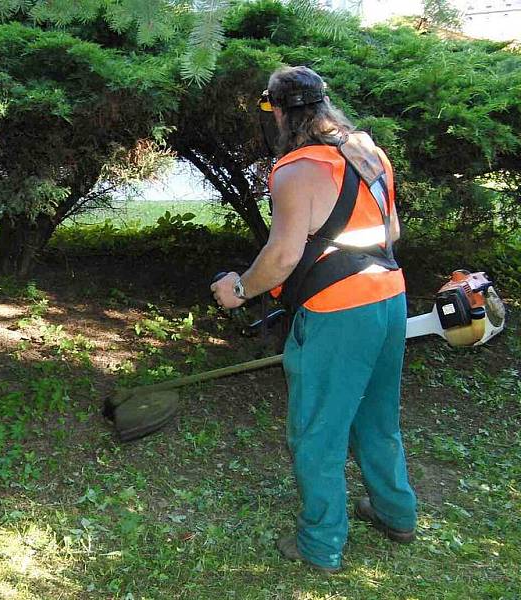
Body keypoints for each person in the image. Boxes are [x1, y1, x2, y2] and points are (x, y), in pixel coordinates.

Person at [210, 66, 417, 573]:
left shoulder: (295, 170)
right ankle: (396, 513)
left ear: (277, 112)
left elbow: (281, 257)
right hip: (389, 298)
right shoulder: (367, 149)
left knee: (317, 431)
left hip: (339, 315)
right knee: (376, 417)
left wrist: (238, 290)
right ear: (324, 105)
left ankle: (321, 543)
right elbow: (391, 229)